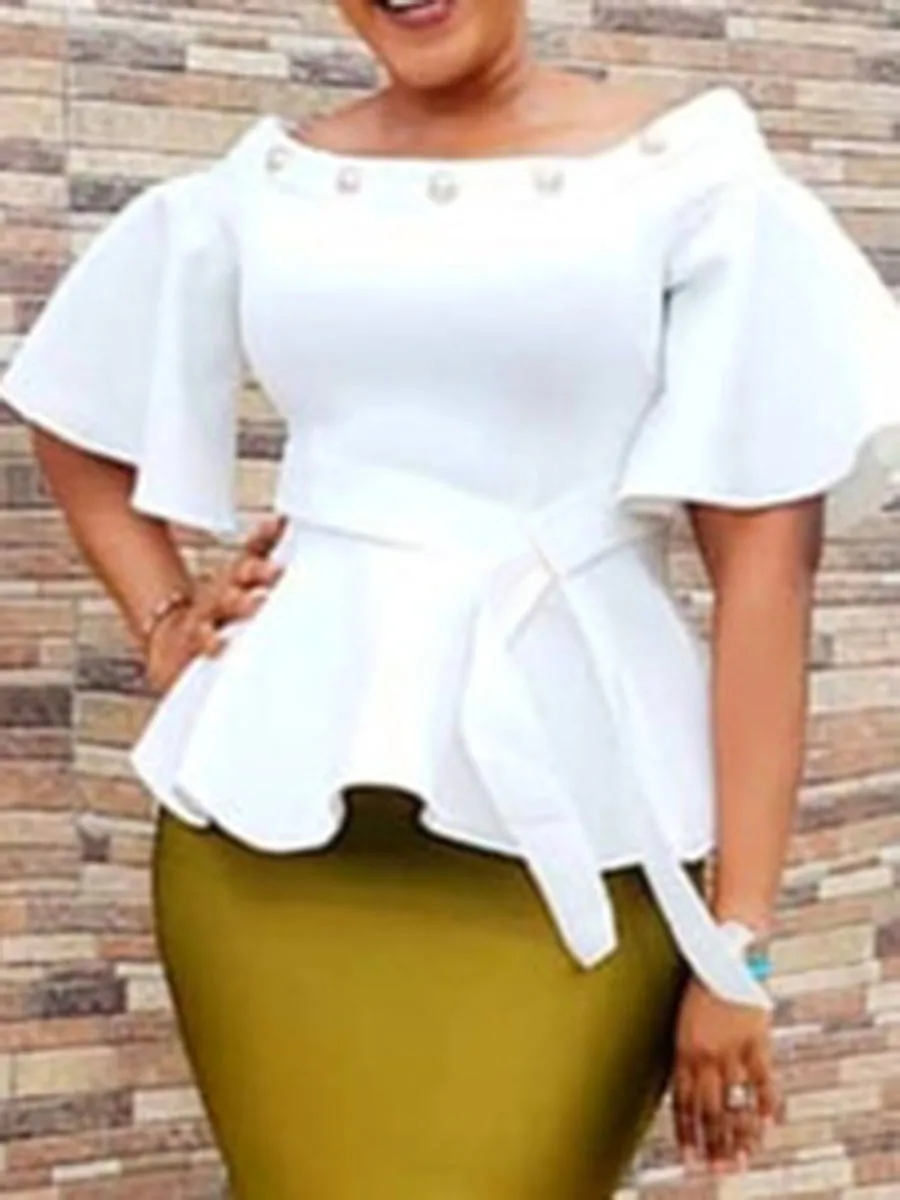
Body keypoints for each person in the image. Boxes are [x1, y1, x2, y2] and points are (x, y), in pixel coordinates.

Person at [2, 0, 899, 1195]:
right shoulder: (266, 186)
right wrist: (165, 619)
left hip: (579, 825)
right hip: (262, 834)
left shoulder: (693, 181)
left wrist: (739, 944)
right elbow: (72, 409)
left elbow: (765, 580)